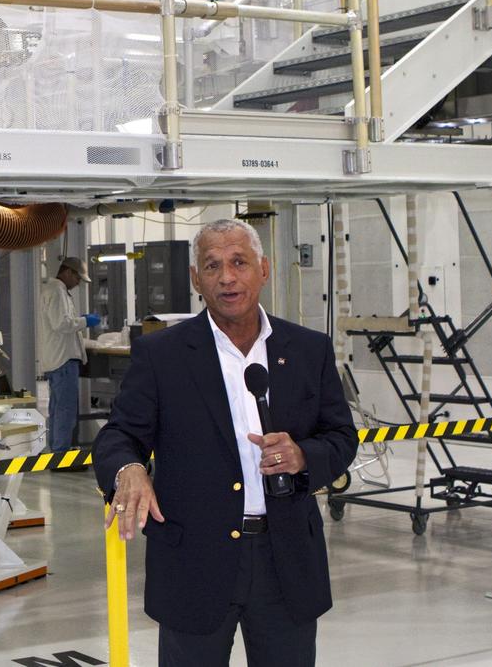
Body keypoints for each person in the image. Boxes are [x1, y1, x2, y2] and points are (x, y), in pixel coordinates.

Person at [93, 219, 357, 666]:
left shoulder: (309, 349)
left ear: (264, 269)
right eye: (212, 266)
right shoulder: (163, 355)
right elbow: (120, 434)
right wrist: (129, 469)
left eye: (239, 262)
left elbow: (341, 436)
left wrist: (303, 455)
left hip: (285, 560)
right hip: (194, 562)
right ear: (197, 279)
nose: (227, 277)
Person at [38, 256, 101, 459]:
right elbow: (61, 324)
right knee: (65, 408)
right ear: (67, 272)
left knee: (57, 408)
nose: (78, 283)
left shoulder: (54, 290)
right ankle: (61, 453)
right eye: (78, 278)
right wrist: (85, 321)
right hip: (63, 359)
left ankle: (56, 449)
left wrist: (79, 321)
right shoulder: (56, 291)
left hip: (56, 358)